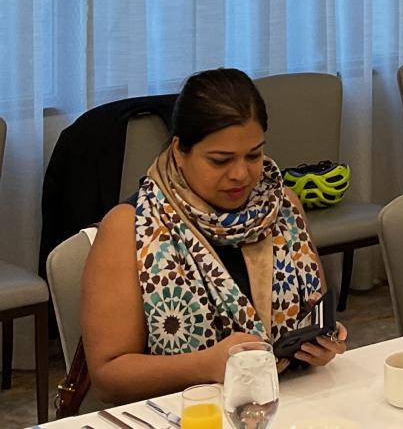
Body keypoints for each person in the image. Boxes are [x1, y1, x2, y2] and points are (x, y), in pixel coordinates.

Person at [82, 69, 347, 404]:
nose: (241, 174)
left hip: (287, 403)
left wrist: (322, 345)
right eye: (220, 160)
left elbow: (312, 315)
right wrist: (205, 365)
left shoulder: (282, 207)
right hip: (184, 414)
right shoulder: (130, 227)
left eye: (254, 155)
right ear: (179, 151)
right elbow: (108, 375)